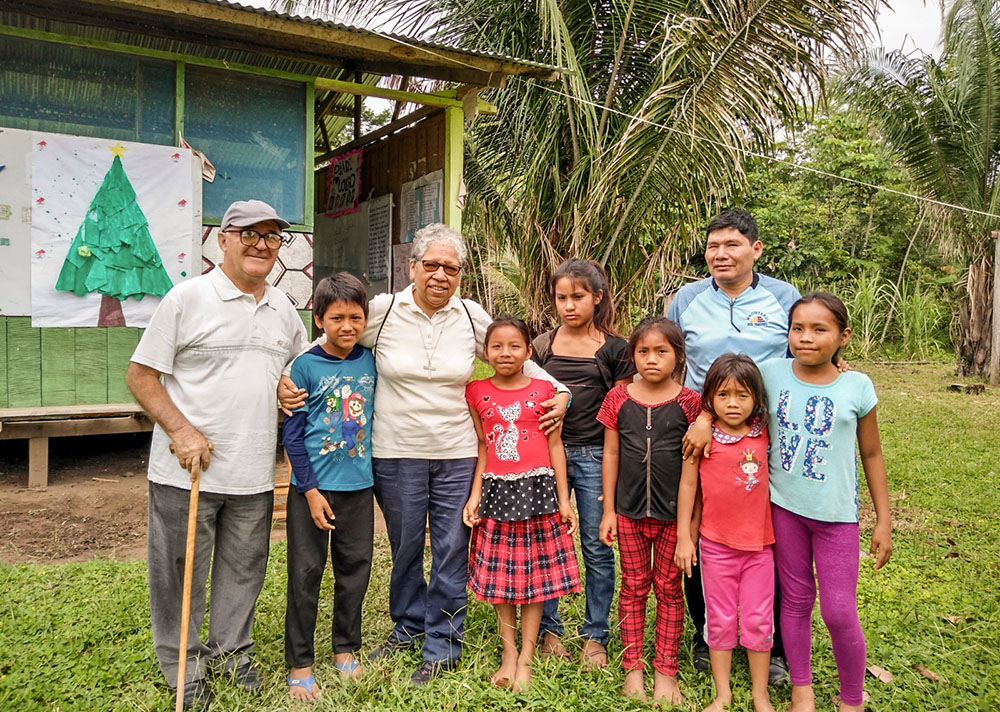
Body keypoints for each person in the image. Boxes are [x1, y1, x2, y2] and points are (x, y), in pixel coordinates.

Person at [278, 223, 569, 686]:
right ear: (411, 266)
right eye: (429, 265)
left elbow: (515, 356)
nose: (439, 275)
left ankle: (443, 642)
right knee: (406, 546)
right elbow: (338, 330)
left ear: (460, 275)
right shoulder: (385, 310)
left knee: (453, 547)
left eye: (449, 268)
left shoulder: (471, 316)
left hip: (456, 453)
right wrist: (288, 377)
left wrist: (560, 393)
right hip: (395, 452)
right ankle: (409, 625)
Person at [127, 200, 309, 710]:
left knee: (244, 570)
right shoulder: (187, 298)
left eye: (272, 235)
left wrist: (287, 390)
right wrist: (181, 430)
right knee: (179, 571)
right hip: (187, 471)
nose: (261, 244)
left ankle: (233, 653)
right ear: (222, 240)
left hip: (253, 470)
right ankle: (183, 665)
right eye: (247, 233)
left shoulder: (284, 310)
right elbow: (141, 375)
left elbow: (294, 375)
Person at [668, 208, 799, 682]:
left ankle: (777, 646)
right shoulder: (686, 299)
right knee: (705, 527)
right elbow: (674, 364)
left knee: (773, 533)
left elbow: (801, 355)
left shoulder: (784, 296)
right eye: (712, 247)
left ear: (756, 249)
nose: (720, 255)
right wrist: (702, 417)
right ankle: (707, 636)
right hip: (704, 431)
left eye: (732, 245)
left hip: (769, 433)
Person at [758, 293, 891, 712]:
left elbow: (871, 454)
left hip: (836, 518)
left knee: (837, 610)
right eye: (798, 328)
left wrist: (884, 520)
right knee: (795, 601)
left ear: (843, 336)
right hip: (783, 509)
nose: (806, 338)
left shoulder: (858, 386)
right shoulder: (770, 373)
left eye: (820, 330)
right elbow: (725, 392)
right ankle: (802, 689)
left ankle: (852, 699)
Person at [463, 316, 581, 691]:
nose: (505, 353)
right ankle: (509, 652)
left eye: (515, 346)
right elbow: (484, 446)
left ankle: (528, 656)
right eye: (496, 346)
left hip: (539, 492)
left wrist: (565, 500)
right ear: (485, 351)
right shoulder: (475, 391)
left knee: (534, 578)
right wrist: (475, 494)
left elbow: (555, 446)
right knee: (502, 578)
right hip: (496, 493)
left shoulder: (547, 390)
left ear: (529, 351)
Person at [531, 259, 635, 667]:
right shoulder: (542, 346)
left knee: (596, 545)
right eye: (561, 297)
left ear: (597, 297)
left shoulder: (615, 349)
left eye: (578, 297)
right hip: (546, 456)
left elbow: (621, 407)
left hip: (595, 458)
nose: (569, 305)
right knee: (548, 541)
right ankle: (549, 630)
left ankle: (596, 634)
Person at [597, 317, 701, 704]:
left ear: (678, 356)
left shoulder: (691, 403)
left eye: (662, 352)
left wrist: (689, 528)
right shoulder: (618, 399)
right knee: (633, 589)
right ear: (632, 355)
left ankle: (666, 670)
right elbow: (611, 452)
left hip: (675, 518)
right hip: (627, 513)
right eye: (643, 352)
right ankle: (633, 667)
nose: (652, 360)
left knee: (670, 590)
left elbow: (695, 468)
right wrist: (608, 510)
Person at [282, 273, 376, 702]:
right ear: (318, 319)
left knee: (354, 571)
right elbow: (293, 436)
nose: (347, 327)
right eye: (336, 318)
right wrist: (309, 489)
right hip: (312, 491)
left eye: (356, 317)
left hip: (359, 487)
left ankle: (345, 651)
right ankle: (300, 663)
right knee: (305, 574)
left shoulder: (371, 360)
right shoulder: (304, 366)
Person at [675, 354, 776, 712]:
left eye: (742, 395)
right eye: (723, 395)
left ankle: (760, 695)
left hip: (761, 547)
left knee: (758, 618)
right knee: (718, 618)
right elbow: (688, 486)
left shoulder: (764, 429)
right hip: (714, 546)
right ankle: (723, 693)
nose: (733, 403)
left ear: (757, 400)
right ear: (710, 399)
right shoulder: (701, 436)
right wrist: (684, 537)